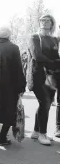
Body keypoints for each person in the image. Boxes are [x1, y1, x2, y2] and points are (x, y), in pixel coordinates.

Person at [0, 27, 26, 145]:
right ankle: (2, 137)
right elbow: (18, 68)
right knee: (9, 110)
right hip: (9, 85)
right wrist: (21, 86)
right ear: (8, 35)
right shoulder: (13, 48)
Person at [27, 14, 60, 145]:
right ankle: (42, 134)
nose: (45, 22)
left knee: (44, 104)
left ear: (52, 24)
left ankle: (36, 132)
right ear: (39, 23)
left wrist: (55, 61)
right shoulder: (34, 37)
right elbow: (37, 56)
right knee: (45, 102)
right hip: (37, 76)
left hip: (52, 77)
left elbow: (55, 55)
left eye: (48, 21)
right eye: (42, 20)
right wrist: (53, 61)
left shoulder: (54, 40)